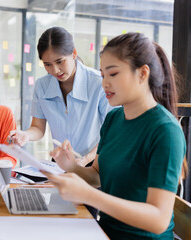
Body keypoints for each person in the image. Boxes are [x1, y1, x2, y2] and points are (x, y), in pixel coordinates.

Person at [43, 32, 186, 239]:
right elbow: (97, 176)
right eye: (102, 75)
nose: (104, 84)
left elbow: (158, 220)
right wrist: (71, 166)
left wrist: (88, 195)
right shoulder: (114, 119)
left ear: (142, 73)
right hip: (106, 232)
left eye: (113, 74)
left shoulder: (165, 131)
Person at [9, 26, 113, 166]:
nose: (55, 70)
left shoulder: (98, 83)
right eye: (47, 64)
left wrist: (86, 159)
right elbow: (38, 128)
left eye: (60, 61)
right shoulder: (42, 86)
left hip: (94, 162)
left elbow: (111, 132)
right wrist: (25, 135)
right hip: (60, 163)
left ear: (74, 53)